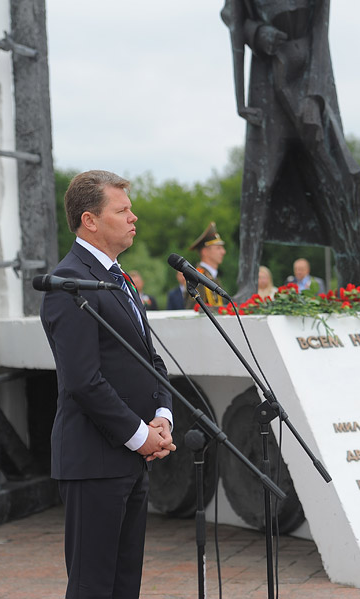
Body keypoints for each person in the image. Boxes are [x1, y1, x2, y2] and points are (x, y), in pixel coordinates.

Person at [39, 170, 175, 599]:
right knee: (92, 588)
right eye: (123, 210)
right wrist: (140, 438)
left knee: (123, 586)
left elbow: (149, 359)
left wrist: (162, 415)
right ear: (90, 220)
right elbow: (83, 380)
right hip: (94, 461)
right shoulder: (68, 282)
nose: (134, 217)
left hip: (131, 459)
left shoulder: (120, 278)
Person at [221, 0, 360, 297]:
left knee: (339, 177)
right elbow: (232, 14)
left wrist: (314, 96)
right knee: (257, 184)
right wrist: (256, 31)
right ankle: (247, 281)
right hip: (266, 82)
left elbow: (320, 32)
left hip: (308, 80)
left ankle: (354, 275)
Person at [185, 222, 228, 309]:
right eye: (218, 248)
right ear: (205, 252)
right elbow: (194, 311)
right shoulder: (198, 278)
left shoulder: (211, 276)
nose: (223, 252)